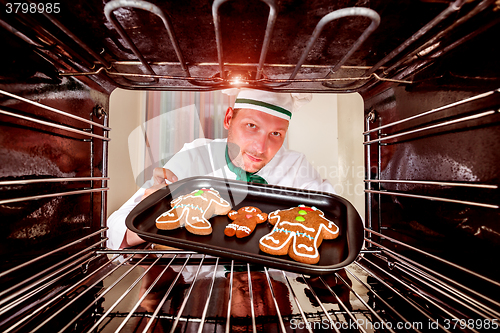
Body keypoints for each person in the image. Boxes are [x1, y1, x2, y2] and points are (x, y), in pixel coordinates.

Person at [107, 89, 336, 249]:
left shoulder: (296, 167)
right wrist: (154, 212)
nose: (260, 147)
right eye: (251, 126)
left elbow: (334, 221)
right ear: (228, 119)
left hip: (272, 286)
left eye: (275, 134)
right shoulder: (195, 155)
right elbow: (115, 232)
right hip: (197, 287)